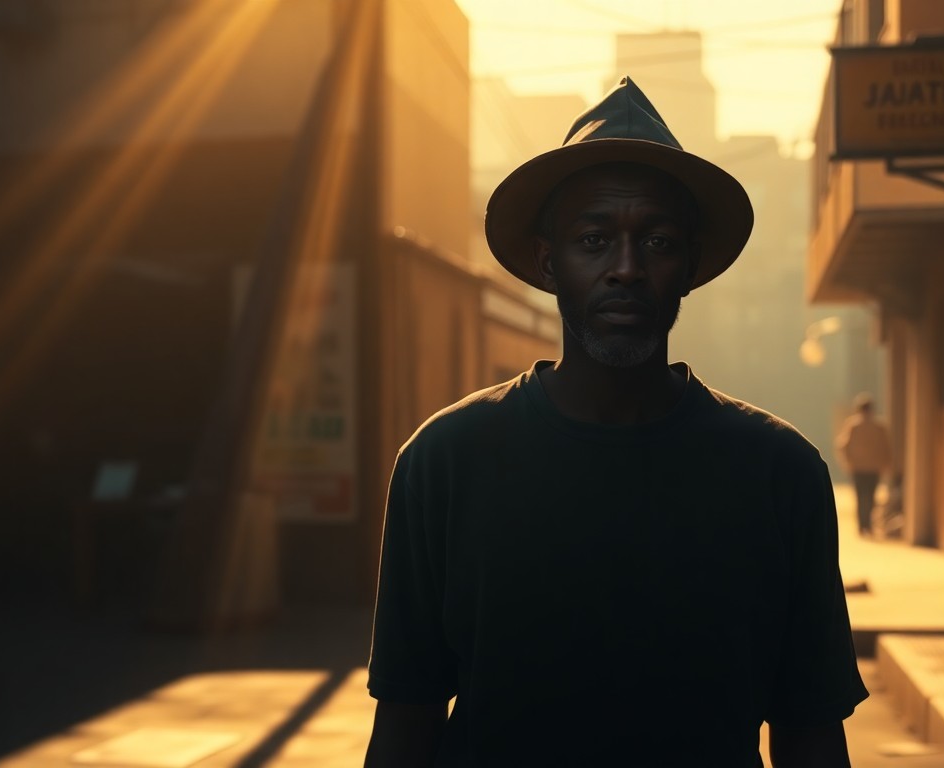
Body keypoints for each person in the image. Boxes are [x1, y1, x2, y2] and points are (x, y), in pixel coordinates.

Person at [365, 77, 867, 768]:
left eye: (657, 241)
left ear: (690, 265)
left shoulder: (779, 472)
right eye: (594, 239)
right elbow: (406, 717)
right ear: (549, 263)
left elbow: (809, 729)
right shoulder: (446, 461)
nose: (626, 270)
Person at [834, 394, 892, 538]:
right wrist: (885, 463)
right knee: (871, 497)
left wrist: (847, 461)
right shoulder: (879, 426)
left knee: (860, 497)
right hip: (873, 468)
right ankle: (868, 525)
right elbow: (886, 447)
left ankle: (862, 526)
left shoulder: (853, 425)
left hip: (858, 467)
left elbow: (843, 445)